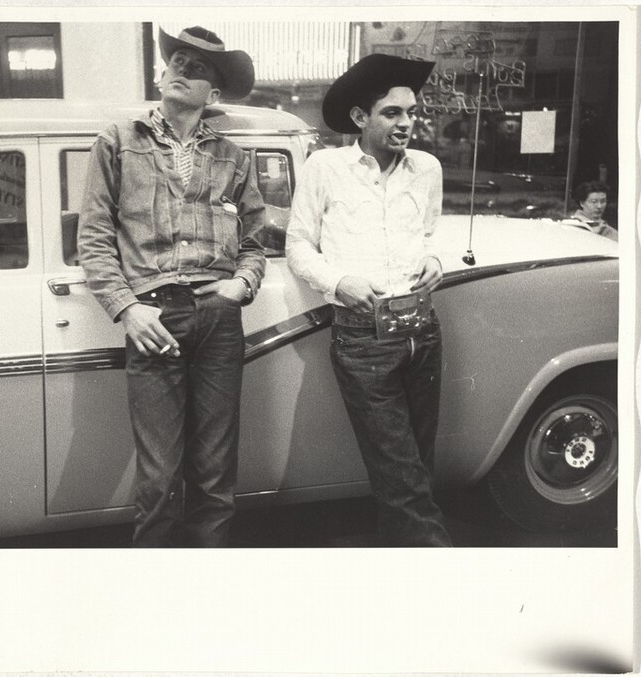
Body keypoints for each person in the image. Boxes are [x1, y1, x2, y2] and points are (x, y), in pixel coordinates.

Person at [77, 26, 265, 547]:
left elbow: (255, 241)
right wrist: (127, 310)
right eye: (177, 61)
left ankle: (204, 595)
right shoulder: (118, 141)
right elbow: (93, 239)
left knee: (214, 472)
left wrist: (239, 287)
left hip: (218, 316)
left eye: (197, 69)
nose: (182, 71)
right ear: (163, 74)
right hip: (154, 317)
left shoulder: (233, 156)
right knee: (158, 477)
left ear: (215, 95)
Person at [286, 54, 452, 547]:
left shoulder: (426, 168)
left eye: (411, 112)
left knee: (415, 467)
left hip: (423, 330)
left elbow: (426, 234)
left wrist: (435, 261)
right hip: (363, 337)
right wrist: (340, 283)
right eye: (392, 113)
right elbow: (297, 245)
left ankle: (400, 570)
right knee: (402, 475)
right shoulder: (326, 167)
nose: (407, 123)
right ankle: (441, 573)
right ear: (360, 118)